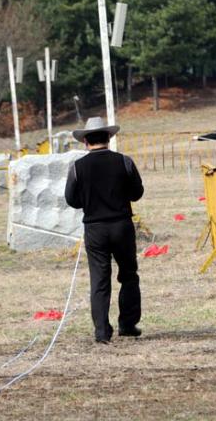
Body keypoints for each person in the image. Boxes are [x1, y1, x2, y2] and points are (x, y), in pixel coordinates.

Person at [64, 117, 144, 344]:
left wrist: (89, 201)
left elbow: (71, 200)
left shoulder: (77, 167)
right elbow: (137, 193)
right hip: (122, 226)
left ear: (85, 141)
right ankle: (127, 324)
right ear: (109, 138)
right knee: (128, 274)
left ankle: (101, 331)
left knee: (99, 279)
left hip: (95, 228)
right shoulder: (124, 161)